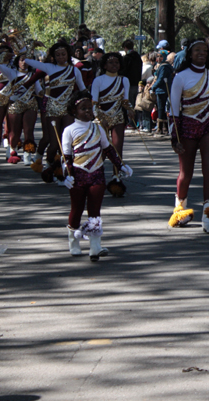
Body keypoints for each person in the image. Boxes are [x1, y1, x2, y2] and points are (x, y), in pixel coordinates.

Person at [167, 40, 209, 233]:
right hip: (187, 126)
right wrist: (175, 138)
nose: (201, 53)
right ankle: (179, 208)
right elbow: (174, 109)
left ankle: (208, 217)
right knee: (185, 174)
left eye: (204, 51)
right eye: (197, 50)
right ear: (189, 54)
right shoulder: (180, 77)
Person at [62, 91, 132, 261]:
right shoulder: (69, 130)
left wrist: (121, 165)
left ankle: (95, 246)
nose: (88, 111)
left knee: (95, 211)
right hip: (78, 175)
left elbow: (108, 150)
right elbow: (67, 158)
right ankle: (74, 241)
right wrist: (66, 175)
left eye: (90, 108)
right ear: (74, 111)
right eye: (83, 108)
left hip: (97, 174)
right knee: (77, 209)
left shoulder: (98, 128)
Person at [25, 42, 86, 170]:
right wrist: (29, 49)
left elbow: (83, 90)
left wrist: (91, 106)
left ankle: (63, 169)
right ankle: (49, 164)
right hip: (52, 108)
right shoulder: (49, 68)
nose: (61, 57)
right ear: (54, 56)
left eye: (63, 54)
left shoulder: (75, 70)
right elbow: (28, 61)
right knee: (54, 143)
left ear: (68, 54)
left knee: (66, 142)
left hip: (68, 109)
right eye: (57, 55)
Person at [91, 52, 134, 195]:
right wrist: (99, 117)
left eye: (116, 62)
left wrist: (130, 109)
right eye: (110, 62)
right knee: (101, 150)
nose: (114, 65)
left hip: (117, 117)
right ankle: (96, 177)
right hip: (101, 118)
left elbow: (125, 101)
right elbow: (94, 103)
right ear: (104, 65)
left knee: (117, 149)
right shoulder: (98, 80)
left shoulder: (124, 80)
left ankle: (116, 178)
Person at [0, 54, 41, 164]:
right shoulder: (12, 73)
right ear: (18, 62)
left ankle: (27, 154)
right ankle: (12, 151)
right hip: (15, 105)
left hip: (30, 104)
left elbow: (39, 90)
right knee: (14, 132)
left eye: (27, 60)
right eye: (22, 60)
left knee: (28, 130)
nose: (24, 62)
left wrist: (47, 94)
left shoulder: (33, 75)